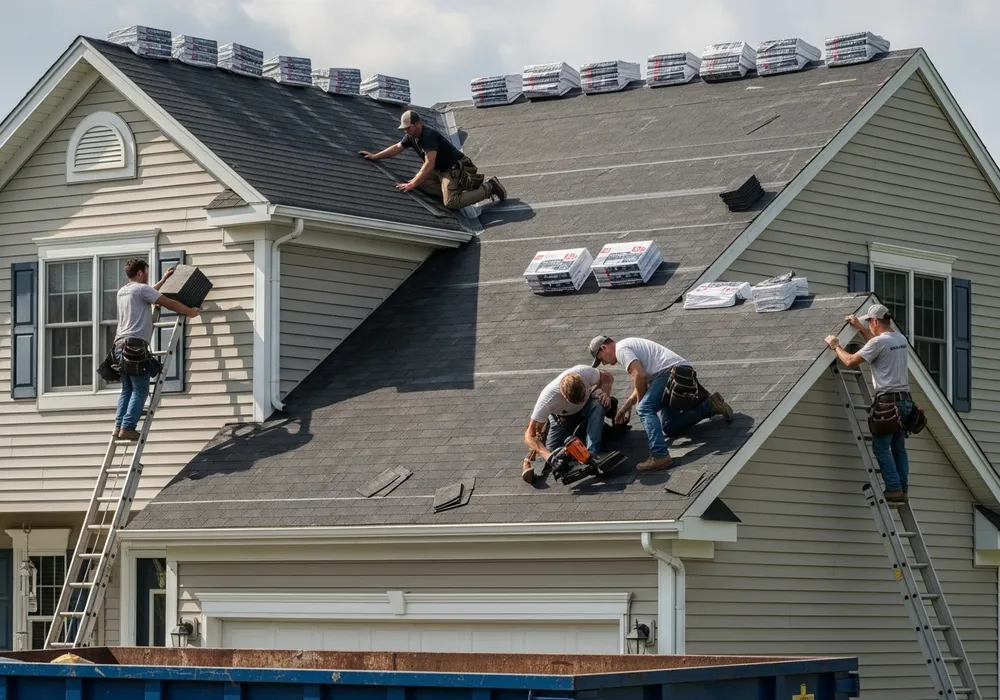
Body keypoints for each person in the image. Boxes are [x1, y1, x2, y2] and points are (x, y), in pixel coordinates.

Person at [589, 336, 733, 472]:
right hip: (677, 373)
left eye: (601, 359)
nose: (605, 363)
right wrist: (627, 406)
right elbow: (643, 381)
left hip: (670, 374)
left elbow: (640, 376)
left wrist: (641, 404)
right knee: (669, 426)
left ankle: (660, 455)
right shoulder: (627, 346)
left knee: (644, 409)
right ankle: (710, 406)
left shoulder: (621, 349)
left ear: (604, 348)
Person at [825, 303, 913, 503]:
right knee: (898, 448)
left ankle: (893, 488)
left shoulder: (878, 343)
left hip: (888, 404)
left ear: (875, 321)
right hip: (906, 403)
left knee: (881, 448)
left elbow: (849, 361)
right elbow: (878, 345)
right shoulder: (899, 339)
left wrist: (835, 345)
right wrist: (862, 329)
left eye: (869, 323)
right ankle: (902, 490)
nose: (869, 326)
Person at [112, 259, 200, 441]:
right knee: (140, 390)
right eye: (146, 272)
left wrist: (163, 280)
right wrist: (190, 312)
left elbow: (148, 292)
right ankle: (128, 427)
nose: (146, 275)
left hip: (119, 346)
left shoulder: (123, 291)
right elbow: (168, 302)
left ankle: (119, 426)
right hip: (135, 346)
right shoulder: (142, 290)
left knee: (127, 389)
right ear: (139, 273)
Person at [359, 109, 507, 211]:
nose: (406, 131)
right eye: (404, 129)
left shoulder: (428, 135)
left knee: (450, 202)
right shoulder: (411, 136)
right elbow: (398, 147)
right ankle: (453, 191)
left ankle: (490, 188)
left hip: (455, 169)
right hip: (440, 170)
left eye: (408, 128)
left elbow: (429, 163)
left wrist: (411, 184)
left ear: (418, 124)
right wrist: (375, 156)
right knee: (420, 183)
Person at [522, 364, 615, 484]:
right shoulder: (547, 399)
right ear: (563, 395)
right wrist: (549, 457)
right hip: (563, 417)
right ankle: (583, 432)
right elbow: (529, 436)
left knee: (598, 404)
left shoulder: (584, 372)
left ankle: (591, 453)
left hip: (587, 407)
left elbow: (607, 377)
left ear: (583, 384)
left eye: (582, 397)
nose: (579, 401)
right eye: (576, 401)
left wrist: (605, 394)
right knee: (552, 450)